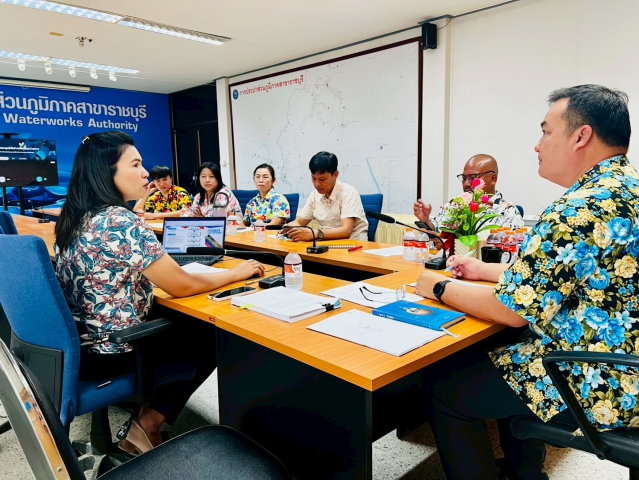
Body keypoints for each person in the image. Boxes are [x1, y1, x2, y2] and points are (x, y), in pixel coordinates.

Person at [415, 85, 639, 480]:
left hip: (602, 378)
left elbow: (511, 310)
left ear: (581, 136)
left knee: (444, 384)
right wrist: (482, 270)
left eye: (546, 132)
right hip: (627, 360)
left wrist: (435, 286)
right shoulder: (624, 189)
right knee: (505, 352)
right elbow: (559, 275)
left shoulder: (579, 207)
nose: (537, 145)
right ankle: (527, 475)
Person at [54, 132, 264, 455]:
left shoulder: (73, 217)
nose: (145, 173)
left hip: (81, 350)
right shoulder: (120, 220)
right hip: (117, 351)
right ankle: (147, 423)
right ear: (105, 172)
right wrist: (236, 273)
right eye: (135, 164)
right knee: (211, 330)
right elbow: (181, 285)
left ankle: (146, 416)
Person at [414, 154, 524, 232]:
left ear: (493, 179)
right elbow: (438, 231)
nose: (466, 184)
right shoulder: (455, 204)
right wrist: (426, 220)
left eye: (473, 178)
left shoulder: (508, 211)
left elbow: (512, 248)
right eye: (464, 178)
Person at [286, 151, 368, 242]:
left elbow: (346, 231)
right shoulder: (314, 195)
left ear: (336, 174)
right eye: (313, 178)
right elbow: (298, 222)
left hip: (353, 246)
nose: (317, 184)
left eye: (322, 179)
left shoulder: (348, 192)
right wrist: (286, 230)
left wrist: (314, 234)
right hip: (326, 245)